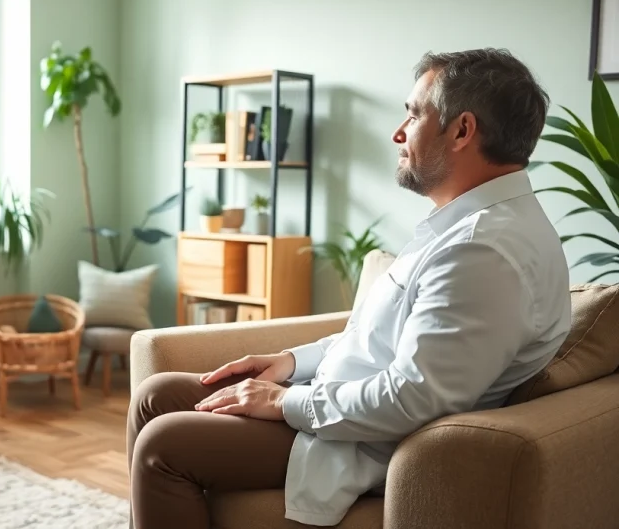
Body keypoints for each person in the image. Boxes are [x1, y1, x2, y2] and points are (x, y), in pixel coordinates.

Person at [127, 48, 572, 528]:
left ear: (462, 130)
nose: (398, 133)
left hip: (361, 436)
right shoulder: (464, 228)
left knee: (162, 445)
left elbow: (413, 399)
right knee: (155, 395)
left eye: (414, 114)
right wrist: (291, 363)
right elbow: (383, 338)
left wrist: (283, 401)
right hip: (341, 401)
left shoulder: (484, 250)